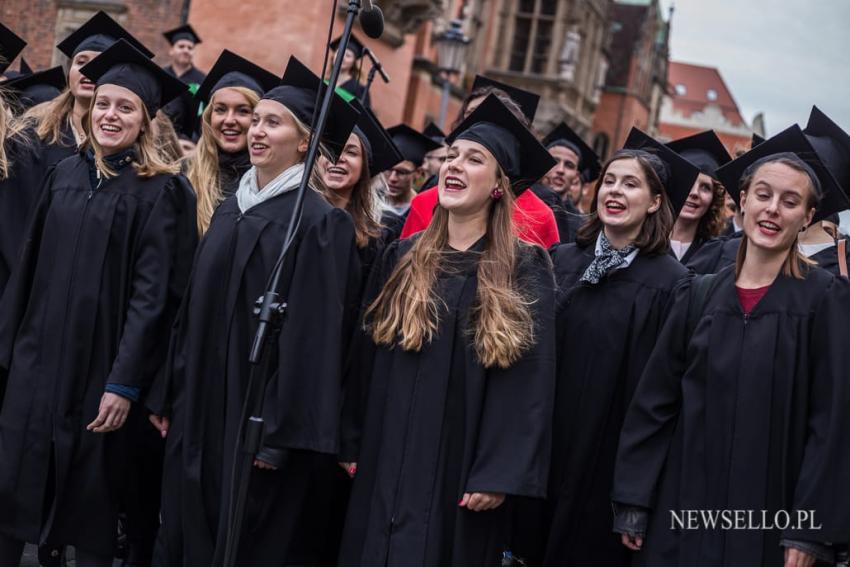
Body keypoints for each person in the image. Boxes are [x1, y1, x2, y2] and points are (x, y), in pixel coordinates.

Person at [146, 56, 362, 567]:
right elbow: (193, 307)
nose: (255, 131)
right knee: (180, 533)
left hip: (253, 424)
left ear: (305, 141)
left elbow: (314, 341)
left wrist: (276, 439)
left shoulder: (318, 223)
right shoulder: (231, 205)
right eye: (256, 120)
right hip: (199, 405)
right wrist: (170, 391)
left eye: (272, 122)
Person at [612, 125, 850, 567]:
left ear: (809, 215)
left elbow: (832, 423)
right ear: (742, 201)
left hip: (770, 522)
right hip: (683, 509)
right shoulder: (697, 294)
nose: (773, 209)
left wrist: (810, 530)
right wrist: (634, 500)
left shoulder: (824, 301)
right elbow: (655, 404)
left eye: (790, 201)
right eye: (763, 194)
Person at [0, 38, 197, 567]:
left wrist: (124, 382)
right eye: (104, 104)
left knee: (89, 506)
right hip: (36, 365)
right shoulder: (62, 175)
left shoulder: (162, 192)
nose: (110, 115)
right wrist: (11, 355)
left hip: (100, 375)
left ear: (146, 118)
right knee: (13, 491)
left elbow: (153, 298)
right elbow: (28, 271)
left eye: (126, 107)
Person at [338, 94, 557, 567]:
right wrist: (352, 437)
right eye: (452, 156)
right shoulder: (403, 255)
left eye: (473, 159)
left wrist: (499, 471)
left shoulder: (523, 266)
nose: (454, 166)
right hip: (387, 446)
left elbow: (530, 383)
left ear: (499, 185)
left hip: (462, 463)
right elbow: (366, 353)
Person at [538, 128, 697, 567]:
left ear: (654, 201)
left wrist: (635, 496)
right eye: (609, 180)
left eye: (631, 184)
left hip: (607, 468)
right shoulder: (563, 260)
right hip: (543, 451)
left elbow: (662, 398)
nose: (615, 191)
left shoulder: (672, 285)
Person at [400, 77, 560, 248]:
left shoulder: (540, 217)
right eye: (470, 115)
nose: (477, 124)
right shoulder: (424, 203)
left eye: (475, 159)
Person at [23, 11, 153, 167]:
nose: (87, 70)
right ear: (69, 71)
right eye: (81, 62)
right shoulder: (35, 126)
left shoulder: (128, 138)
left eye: (100, 63)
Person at [185, 49, 280, 234]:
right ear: (208, 117)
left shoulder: (272, 183)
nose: (229, 120)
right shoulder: (184, 175)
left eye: (243, 111)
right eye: (220, 109)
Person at [666, 130, 732, 264]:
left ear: (714, 199)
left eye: (705, 187)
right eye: (687, 182)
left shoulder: (717, 256)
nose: (694, 193)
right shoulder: (643, 243)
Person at [536, 121, 601, 243]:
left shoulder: (582, 228)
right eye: (554, 161)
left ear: (576, 176)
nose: (560, 170)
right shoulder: (519, 200)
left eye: (569, 165)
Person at [381, 123, 441, 239]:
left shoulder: (421, 212)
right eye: (389, 169)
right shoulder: (369, 202)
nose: (393, 178)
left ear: (418, 173)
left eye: (402, 172)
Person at [161, 24, 206, 140]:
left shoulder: (202, 80)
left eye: (190, 48)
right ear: (171, 50)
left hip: (189, 138)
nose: (186, 50)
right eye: (181, 46)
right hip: (158, 133)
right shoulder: (160, 75)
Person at [329, 34, 370, 106]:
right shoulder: (326, 81)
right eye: (339, 52)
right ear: (333, 56)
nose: (342, 57)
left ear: (353, 62)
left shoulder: (360, 90)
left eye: (348, 55)